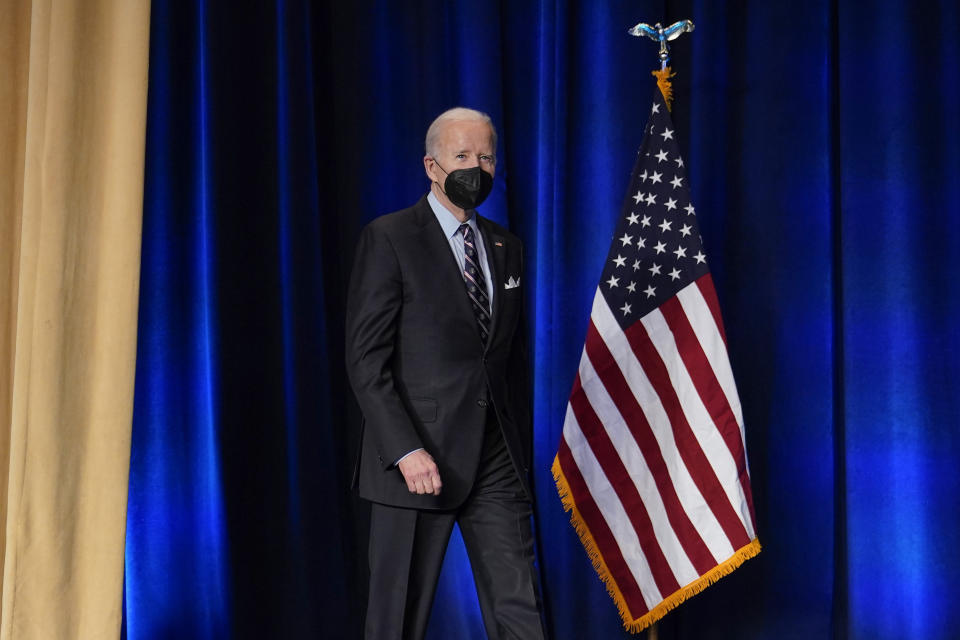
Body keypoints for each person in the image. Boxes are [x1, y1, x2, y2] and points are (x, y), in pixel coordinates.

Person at [345, 107, 546, 640]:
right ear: (432, 166)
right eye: (462, 156)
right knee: (397, 622)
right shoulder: (389, 237)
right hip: (417, 457)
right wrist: (405, 450)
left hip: (495, 459)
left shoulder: (507, 247)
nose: (475, 168)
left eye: (485, 157)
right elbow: (366, 359)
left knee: (520, 610)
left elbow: (509, 359)